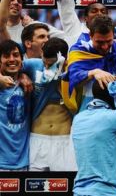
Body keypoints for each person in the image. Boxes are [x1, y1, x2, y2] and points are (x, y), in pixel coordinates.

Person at [61, 15, 116, 113]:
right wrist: (93, 73)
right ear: (90, 36)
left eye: (108, 41)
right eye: (100, 42)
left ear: (113, 35)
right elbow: (71, 78)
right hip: (87, 109)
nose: (105, 46)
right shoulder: (79, 51)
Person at [22, 37, 76, 171]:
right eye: (44, 62)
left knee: (65, 188)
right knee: (33, 188)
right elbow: (10, 66)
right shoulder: (34, 65)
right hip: (38, 138)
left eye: (50, 64)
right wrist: (22, 76)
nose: (46, 67)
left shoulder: (75, 71)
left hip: (65, 140)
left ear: (63, 59)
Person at [0, 40, 31, 170]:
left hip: (26, 162)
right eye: (6, 56)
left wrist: (24, 76)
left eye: (16, 55)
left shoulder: (29, 81)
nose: (12, 59)